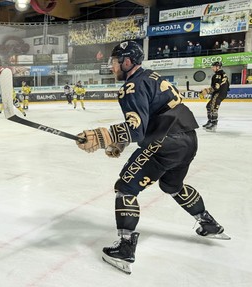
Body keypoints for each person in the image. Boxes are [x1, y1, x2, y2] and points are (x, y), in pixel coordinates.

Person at [75, 40, 229, 274]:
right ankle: (209, 223)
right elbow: (147, 120)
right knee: (172, 185)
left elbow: (136, 128)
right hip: (188, 139)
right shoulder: (152, 76)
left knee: (125, 188)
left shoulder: (131, 86)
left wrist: (103, 135)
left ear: (127, 62)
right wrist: (121, 141)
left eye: (115, 62)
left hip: (166, 142)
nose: (112, 66)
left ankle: (125, 248)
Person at [199, 61, 229, 132]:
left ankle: (213, 124)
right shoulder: (222, 74)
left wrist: (207, 91)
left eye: (213, 66)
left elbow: (216, 87)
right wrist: (208, 90)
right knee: (209, 106)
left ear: (218, 67)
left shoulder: (218, 75)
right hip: (220, 92)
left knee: (213, 107)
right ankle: (210, 121)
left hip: (219, 93)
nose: (212, 68)